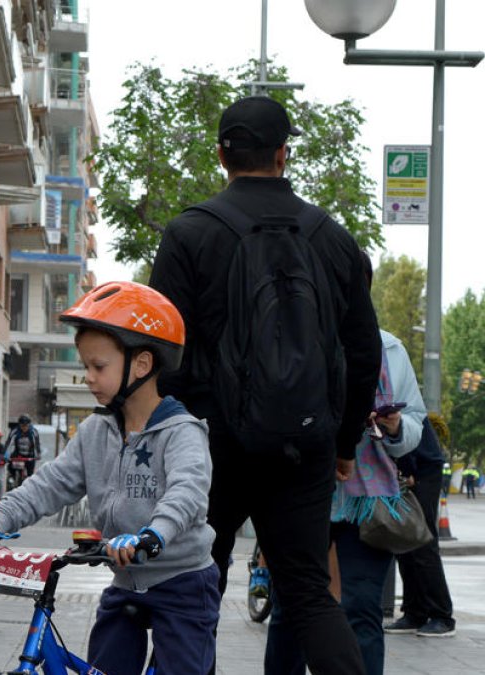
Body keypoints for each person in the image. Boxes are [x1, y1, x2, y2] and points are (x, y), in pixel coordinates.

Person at [148, 96, 381, 674]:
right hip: (305, 444)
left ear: (221, 153)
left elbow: (159, 350)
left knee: (194, 581)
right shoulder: (332, 238)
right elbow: (363, 351)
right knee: (306, 590)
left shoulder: (188, 234)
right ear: (284, 153)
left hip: (208, 443)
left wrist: (170, 435)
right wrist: (345, 441)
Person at [0, 281, 220, 675]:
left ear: (141, 365)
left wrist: (152, 535)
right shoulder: (96, 432)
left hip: (183, 583)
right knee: (104, 663)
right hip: (125, 582)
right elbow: (49, 484)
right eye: (85, 366)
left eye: (99, 366)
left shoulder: (182, 432)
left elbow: (187, 493)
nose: (88, 376)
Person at [265, 324, 427, 675]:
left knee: (363, 607)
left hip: (368, 500)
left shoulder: (391, 348)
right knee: (289, 607)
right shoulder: (294, 333)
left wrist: (396, 426)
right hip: (302, 490)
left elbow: (416, 423)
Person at [387, 417, 456, 637]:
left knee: (423, 542)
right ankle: (415, 612)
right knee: (405, 543)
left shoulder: (398, 387)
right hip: (405, 470)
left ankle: (442, 616)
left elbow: (406, 427)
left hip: (422, 469)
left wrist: (409, 470)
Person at [4, 413, 41, 483]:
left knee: (30, 474)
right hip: (18, 454)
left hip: (29, 455)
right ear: (19, 425)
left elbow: (37, 444)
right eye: (22, 426)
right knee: (10, 464)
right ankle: (12, 478)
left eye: (26, 426)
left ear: (29, 425)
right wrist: (4, 454)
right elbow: (8, 443)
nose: (24, 428)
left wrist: (38, 454)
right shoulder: (15, 431)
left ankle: (29, 487)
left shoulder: (33, 432)